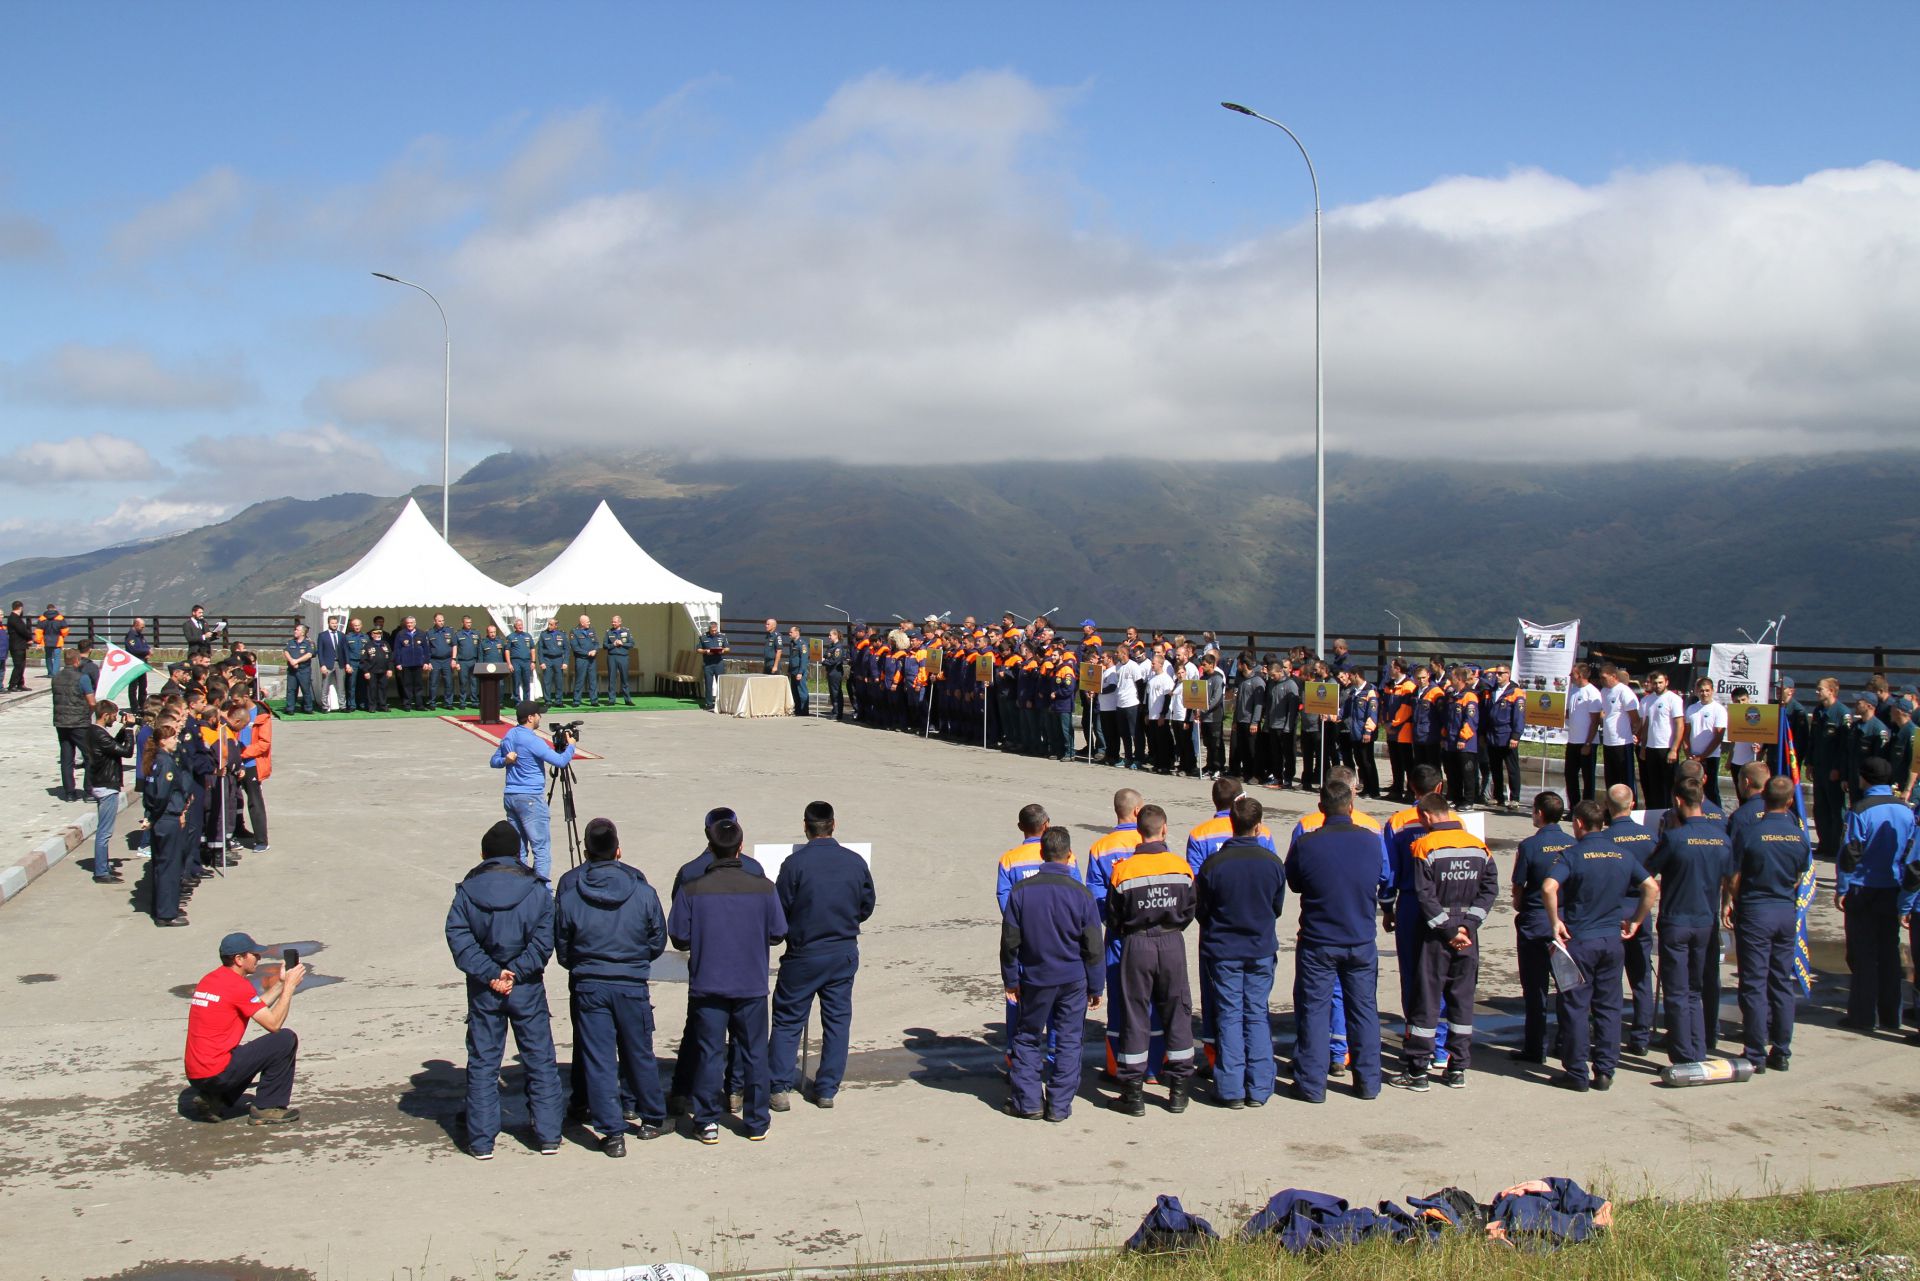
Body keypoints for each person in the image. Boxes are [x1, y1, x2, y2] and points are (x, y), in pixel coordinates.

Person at [446, 820, 563, 1158]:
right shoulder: (536, 890)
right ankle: (548, 1135)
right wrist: (516, 972)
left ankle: (482, 1141)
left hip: (485, 989)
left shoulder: (468, 892)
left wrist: (490, 973)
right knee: (539, 1059)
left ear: (484, 854)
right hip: (525, 986)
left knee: (483, 1062)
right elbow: (544, 940)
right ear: (519, 853)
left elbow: (459, 937)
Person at [667, 817, 787, 1144]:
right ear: (740, 848)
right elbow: (778, 932)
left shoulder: (693, 888)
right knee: (754, 1053)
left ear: (710, 846)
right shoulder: (763, 887)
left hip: (708, 984)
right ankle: (757, 1121)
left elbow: (678, 935)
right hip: (750, 984)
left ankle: (706, 1121)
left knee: (709, 1053)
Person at [554, 817, 668, 1157]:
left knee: (598, 1057)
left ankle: (611, 1133)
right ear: (618, 850)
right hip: (631, 983)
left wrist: (584, 967)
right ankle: (650, 1117)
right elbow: (657, 939)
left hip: (589, 984)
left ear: (586, 853)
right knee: (639, 1052)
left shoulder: (570, 889)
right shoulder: (642, 888)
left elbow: (562, 944)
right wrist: (633, 961)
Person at [1543, 798, 1657, 1092]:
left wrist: (1555, 921)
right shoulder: (1622, 854)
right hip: (1612, 940)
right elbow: (1650, 887)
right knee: (1609, 1006)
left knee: (1576, 1006)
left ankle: (1577, 1072)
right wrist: (1636, 919)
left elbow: (1549, 886)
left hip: (1581, 940)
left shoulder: (1572, 854)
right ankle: (1605, 1069)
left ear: (1579, 823)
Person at [769, 801, 876, 1111]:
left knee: (788, 1020)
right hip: (841, 951)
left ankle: (778, 1087)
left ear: (806, 826)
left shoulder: (794, 864)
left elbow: (780, 910)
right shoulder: (854, 862)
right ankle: (827, 1088)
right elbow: (866, 905)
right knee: (837, 1022)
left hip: (804, 952)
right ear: (833, 824)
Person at [1387, 793, 1498, 1092]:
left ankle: (1418, 1071)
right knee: (1461, 1002)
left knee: (1426, 1000)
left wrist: (1448, 931)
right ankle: (1457, 1068)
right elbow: (1489, 890)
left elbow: (1425, 896)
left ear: (1424, 816)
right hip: (1468, 937)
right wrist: (1468, 926)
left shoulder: (1424, 846)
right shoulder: (1479, 846)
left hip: (1436, 937)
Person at [1285, 780, 1386, 1103]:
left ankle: (1312, 1085)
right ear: (1351, 806)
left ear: (1321, 808)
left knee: (1315, 1010)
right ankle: (1369, 1081)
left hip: (1319, 939)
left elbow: (1295, 883)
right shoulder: (1372, 841)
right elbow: (1385, 878)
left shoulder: (1308, 843)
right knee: (1364, 1010)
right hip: (1360, 937)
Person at [1000, 826, 1103, 1122]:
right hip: (1073, 978)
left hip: (1035, 977)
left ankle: (1030, 1101)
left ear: (1042, 853)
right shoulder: (1081, 894)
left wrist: (1011, 979)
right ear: (1070, 855)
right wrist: (1096, 986)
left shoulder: (1020, 893)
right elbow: (1093, 944)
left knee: (1027, 1037)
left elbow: (1010, 941)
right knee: (1070, 1039)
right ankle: (1059, 1105)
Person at [1194, 794, 1288, 1108]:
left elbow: (1202, 909)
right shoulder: (1272, 863)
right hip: (1260, 947)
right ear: (1259, 827)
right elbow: (1276, 907)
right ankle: (1260, 1086)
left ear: (1232, 824)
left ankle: (1231, 1087)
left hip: (1224, 950)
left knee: (1230, 1016)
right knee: (1257, 1014)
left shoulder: (1213, 865)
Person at [1106, 805, 1197, 1115]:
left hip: (1136, 944)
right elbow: (1188, 912)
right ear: (1165, 829)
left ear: (1138, 832)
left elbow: (1114, 916)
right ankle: (1179, 1091)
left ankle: (1132, 1094)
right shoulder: (1180, 866)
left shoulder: (1124, 869)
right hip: (1171, 942)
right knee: (1178, 1010)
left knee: (1134, 1014)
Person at [1643, 777, 1734, 1065]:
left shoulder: (1674, 837)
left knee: (1677, 990)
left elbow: (1648, 872)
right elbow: (1731, 876)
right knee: (1695, 988)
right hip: (1705, 920)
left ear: (1679, 801)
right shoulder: (1722, 837)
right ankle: (1698, 1046)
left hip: (1677, 920)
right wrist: (1727, 904)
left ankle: (1683, 1053)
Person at [1729, 776, 1813, 1071]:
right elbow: (1800, 876)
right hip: (1784, 911)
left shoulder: (1751, 833)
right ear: (1790, 801)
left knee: (1753, 982)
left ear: (1763, 797)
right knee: (1780, 981)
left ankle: (1754, 1051)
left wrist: (1736, 901)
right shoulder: (1799, 836)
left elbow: (1736, 876)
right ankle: (1781, 1049)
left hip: (1755, 909)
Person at [184, 932, 307, 1125]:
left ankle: (214, 1100)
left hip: (197, 1073)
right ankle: (268, 1107)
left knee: (246, 1053)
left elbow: (255, 1006)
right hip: (216, 1072)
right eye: (254, 954)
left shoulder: (211, 979)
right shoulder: (237, 986)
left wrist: (281, 983)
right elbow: (273, 1024)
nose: (259, 958)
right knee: (284, 1039)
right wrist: (290, 988)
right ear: (239, 959)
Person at [1837, 758, 1916, 1033]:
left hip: (1863, 887)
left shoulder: (1860, 809)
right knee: (1889, 952)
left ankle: (1862, 1016)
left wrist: (1842, 887)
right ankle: (1890, 1015)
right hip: (1892, 886)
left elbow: (1851, 852)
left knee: (1863, 953)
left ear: (1865, 778)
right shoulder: (1905, 809)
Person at [1511, 791, 1573, 1063]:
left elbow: (1518, 886)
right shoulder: (1573, 844)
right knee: (1566, 986)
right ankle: (1566, 1042)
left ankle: (1535, 1047)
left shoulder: (1529, 846)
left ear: (1538, 813)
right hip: (1564, 921)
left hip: (1535, 921)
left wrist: (1519, 903)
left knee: (1535, 988)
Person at [488, 702, 577, 884]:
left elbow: (493, 761)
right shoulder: (532, 740)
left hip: (511, 796)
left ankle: (520, 888)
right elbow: (560, 761)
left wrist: (506, 760)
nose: (540, 718)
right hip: (530, 798)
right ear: (530, 718)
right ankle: (542, 892)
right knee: (541, 849)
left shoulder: (509, 735)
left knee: (519, 849)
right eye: (538, 715)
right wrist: (571, 746)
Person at [1601, 783, 1660, 1055]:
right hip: (1640, 909)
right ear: (1632, 804)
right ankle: (1640, 1037)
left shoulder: (1603, 839)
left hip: (1612, 910)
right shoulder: (1650, 835)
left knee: (1609, 979)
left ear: (1607, 807)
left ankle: (1608, 1036)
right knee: (1641, 976)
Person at [142, 716, 194, 926]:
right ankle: (166, 913)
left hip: (160, 818)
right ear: (163, 741)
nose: (176, 741)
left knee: (161, 865)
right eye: (172, 738)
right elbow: (162, 795)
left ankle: (163, 907)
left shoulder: (157, 761)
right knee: (169, 867)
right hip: (167, 818)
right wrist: (155, 816)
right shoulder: (166, 763)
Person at [82, 699, 135, 883]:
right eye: (113, 716)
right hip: (106, 786)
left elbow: (113, 746)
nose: (115, 719)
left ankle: (102, 867)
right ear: (105, 715)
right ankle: (101, 872)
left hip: (100, 783)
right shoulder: (99, 735)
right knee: (104, 832)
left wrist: (123, 730)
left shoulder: (94, 732)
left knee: (104, 831)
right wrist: (129, 730)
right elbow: (126, 752)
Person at [51, 648, 94, 802]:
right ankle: (89, 791)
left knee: (67, 758)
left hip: (61, 722)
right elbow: (91, 702)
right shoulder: (82, 678)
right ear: (77, 661)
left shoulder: (56, 677)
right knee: (90, 756)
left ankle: (69, 793)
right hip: (79, 722)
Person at [1639, 672, 1685, 810]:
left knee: (1669, 785)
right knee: (1653, 785)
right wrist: (1643, 747)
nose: (1657, 685)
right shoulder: (1648, 700)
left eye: (1660, 682)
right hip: (1651, 748)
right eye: (1655, 683)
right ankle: (1655, 815)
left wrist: (1674, 749)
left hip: (1667, 748)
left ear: (1666, 682)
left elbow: (1679, 725)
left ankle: (1670, 814)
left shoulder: (1674, 699)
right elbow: (1647, 725)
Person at [1683, 679, 1729, 806]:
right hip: (1693, 757)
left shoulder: (1719, 710)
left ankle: (1717, 816)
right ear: (1697, 691)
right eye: (1701, 691)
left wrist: (1702, 756)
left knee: (1711, 790)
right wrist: (1688, 753)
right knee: (1694, 790)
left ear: (1712, 691)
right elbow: (1686, 733)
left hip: (1710, 757)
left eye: (1707, 690)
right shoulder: (1691, 709)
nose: (1704, 693)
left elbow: (1718, 737)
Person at [1598, 665, 1641, 800]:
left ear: (1614, 676)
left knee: (1625, 779)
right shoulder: (1604, 691)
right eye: (1600, 678)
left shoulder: (1624, 691)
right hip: (1608, 741)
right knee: (1611, 778)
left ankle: (1629, 809)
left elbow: (1635, 718)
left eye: (1604, 678)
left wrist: (1635, 734)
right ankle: (1612, 808)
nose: (1601, 680)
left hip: (1623, 742)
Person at [1443, 667, 1481, 811]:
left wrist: (1463, 738)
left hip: (1465, 743)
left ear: (1459, 679)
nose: (1450, 680)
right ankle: (1455, 797)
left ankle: (1469, 800)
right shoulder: (1453, 695)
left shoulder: (1469, 696)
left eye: (1452, 677)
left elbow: (1470, 720)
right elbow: (1448, 718)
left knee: (1467, 772)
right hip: (1451, 740)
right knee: (1453, 772)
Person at [391, 616, 428, 711]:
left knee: (418, 685)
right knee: (407, 685)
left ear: (415, 623)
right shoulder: (400, 634)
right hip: (406, 664)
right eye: (408, 623)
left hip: (418, 663)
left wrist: (426, 662)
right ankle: (407, 705)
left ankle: (419, 705)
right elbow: (397, 649)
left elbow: (426, 649)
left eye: (411, 623)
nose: (409, 624)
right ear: (405, 624)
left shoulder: (421, 633)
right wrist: (398, 663)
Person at [316, 616, 348, 712]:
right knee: (325, 685)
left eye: (336, 623)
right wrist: (322, 665)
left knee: (341, 686)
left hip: (340, 663)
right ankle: (325, 706)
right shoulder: (322, 635)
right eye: (332, 623)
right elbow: (320, 652)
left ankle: (342, 706)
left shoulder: (341, 635)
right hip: (328, 664)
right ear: (328, 623)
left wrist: (348, 663)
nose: (334, 625)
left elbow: (345, 650)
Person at [282, 624, 315, 715]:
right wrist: (292, 661)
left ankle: (308, 708)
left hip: (304, 670)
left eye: (297, 630)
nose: (295, 631)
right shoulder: (291, 642)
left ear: (303, 632)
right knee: (291, 690)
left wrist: (297, 661)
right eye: (295, 630)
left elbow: (309, 655)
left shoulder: (309, 643)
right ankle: (290, 708)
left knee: (305, 689)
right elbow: (286, 651)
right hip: (292, 670)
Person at [120, 617, 152, 710]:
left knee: (143, 685)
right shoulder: (131, 636)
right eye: (141, 627)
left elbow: (145, 645)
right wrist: (146, 651)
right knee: (133, 687)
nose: (143, 629)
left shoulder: (140, 635)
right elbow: (134, 649)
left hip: (142, 664)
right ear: (136, 625)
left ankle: (142, 704)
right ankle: (134, 707)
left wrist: (148, 652)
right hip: (134, 665)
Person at [426, 613, 457, 709]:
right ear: (434, 621)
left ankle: (448, 703)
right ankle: (432, 703)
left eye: (443, 620)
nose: (441, 622)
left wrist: (454, 659)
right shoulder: (429, 632)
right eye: (439, 621)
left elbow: (454, 645)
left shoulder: (450, 631)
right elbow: (426, 648)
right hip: (434, 660)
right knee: (433, 683)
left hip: (447, 660)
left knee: (449, 682)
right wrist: (428, 662)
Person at [568, 614, 600, 707]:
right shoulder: (574, 632)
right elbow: (575, 647)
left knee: (592, 680)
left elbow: (597, 643)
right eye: (587, 622)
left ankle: (594, 700)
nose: (589, 623)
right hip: (581, 659)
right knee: (580, 680)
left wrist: (595, 650)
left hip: (592, 659)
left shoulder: (591, 630)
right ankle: (576, 701)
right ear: (582, 623)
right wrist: (587, 653)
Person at [699, 621, 730, 711]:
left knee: (720, 683)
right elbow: (698, 649)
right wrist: (706, 651)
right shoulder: (703, 637)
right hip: (708, 663)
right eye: (712, 631)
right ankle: (709, 703)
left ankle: (721, 703)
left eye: (715, 630)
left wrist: (722, 651)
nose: (714, 632)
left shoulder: (722, 636)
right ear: (709, 629)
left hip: (718, 663)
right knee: (708, 684)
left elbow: (728, 648)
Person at [359, 627, 392, 712]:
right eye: (376, 633)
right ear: (372, 635)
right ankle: (372, 706)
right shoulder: (367, 645)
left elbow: (390, 658)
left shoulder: (385, 644)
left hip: (384, 671)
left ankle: (383, 705)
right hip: (371, 671)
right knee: (372, 689)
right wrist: (366, 671)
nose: (378, 635)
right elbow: (363, 660)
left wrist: (390, 669)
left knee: (383, 688)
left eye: (379, 633)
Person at [604, 615, 633, 706]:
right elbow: (604, 645)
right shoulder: (609, 632)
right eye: (612, 621)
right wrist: (613, 644)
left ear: (620, 622)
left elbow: (631, 644)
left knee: (625, 679)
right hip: (612, 657)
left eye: (615, 622)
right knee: (612, 679)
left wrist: (622, 643)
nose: (613, 623)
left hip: (623, 657)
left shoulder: (626, 631)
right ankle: (611, 700)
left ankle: (627, 700)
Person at [538, 619, 569, 704]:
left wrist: (565, 662)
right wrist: (542, 662)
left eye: (551, 624)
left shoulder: (562, 634)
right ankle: (547, 701)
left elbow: (566, 649)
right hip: (547, 660)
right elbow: (540, 650)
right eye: (548, 624)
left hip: (558, 660)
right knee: (547, 681)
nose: (549, 626)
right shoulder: (544, 634)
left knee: (559, 681)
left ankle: (558, 700)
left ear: (556, 625)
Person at [506, 618, 536, 703]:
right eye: (518, 625)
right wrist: (509, 664)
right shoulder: (511, 636)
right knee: (516, 682)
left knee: (527, 682)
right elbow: (507, 650)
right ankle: (517, 701)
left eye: (521, 625)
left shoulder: (527, 635)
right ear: (515, 626)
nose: (520, 627)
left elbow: (532, 649)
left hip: (527, 662)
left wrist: (533, 662)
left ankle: (527, 701)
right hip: (516, 662)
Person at [822, 628, 848, 721]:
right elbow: (826, 655)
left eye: (830, 635)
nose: (829, 637)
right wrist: (825, 660)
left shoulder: (838, 648)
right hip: (830, 671)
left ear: (836, 636)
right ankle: (835, 710)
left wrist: (824, 661)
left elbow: (834, 661)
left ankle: (837, 713)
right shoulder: (831, 646)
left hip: (835, 672)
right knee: (832, 693)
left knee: (836, 693)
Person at [6, 600, 32, 691]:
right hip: (17, 645)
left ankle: (20, 683)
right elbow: (22, 630)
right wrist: (29, 637)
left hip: (20, 645)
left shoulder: (15, 618)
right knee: (18, 665)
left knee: (22, 665)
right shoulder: (14, 618)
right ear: (20, 608)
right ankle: (12, 684)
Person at [785, 624, 811, 716]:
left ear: (797, 632)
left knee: (802, 691)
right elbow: (791, 658)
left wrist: (800, 672)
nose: (789, 633)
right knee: (794, 691)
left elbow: (804, 660)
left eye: (791, 632)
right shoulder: (792, 643)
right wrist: (789, 670)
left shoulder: (802, 644)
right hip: (793, 671)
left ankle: (804, 711)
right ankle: (798, 710)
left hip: (799, 671)